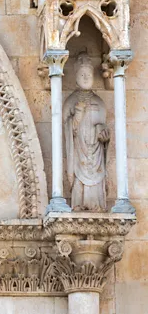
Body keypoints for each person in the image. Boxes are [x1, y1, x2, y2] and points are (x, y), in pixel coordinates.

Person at [64, 52, 109, 212]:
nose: (85, 77)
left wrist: (103, 134)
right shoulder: (71, 101)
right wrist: (76, 118)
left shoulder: (99, 102)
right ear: (75, 76)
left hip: (95, 152)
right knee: (79, 181)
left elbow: (104, 126)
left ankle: (97, 205)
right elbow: (66, 127)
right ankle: (78, 204)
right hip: (79, 152)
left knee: (96, 179)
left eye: (88, 74)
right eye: (82, 74)